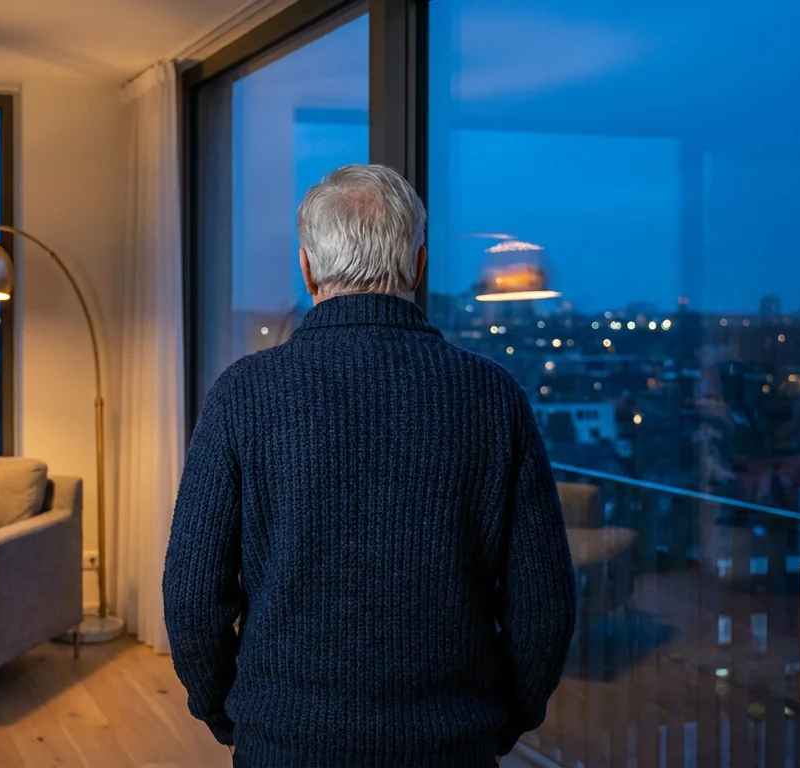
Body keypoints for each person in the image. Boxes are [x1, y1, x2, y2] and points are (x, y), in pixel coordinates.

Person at [163, 164, 577, 767]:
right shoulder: (492, 397)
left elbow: (192, 598)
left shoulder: (244, 394)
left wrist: (230, 712)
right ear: (419, 264)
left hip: (284, 747)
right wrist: (497, 722)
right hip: (452, 749)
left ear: (306, 268)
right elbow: (545, 608)